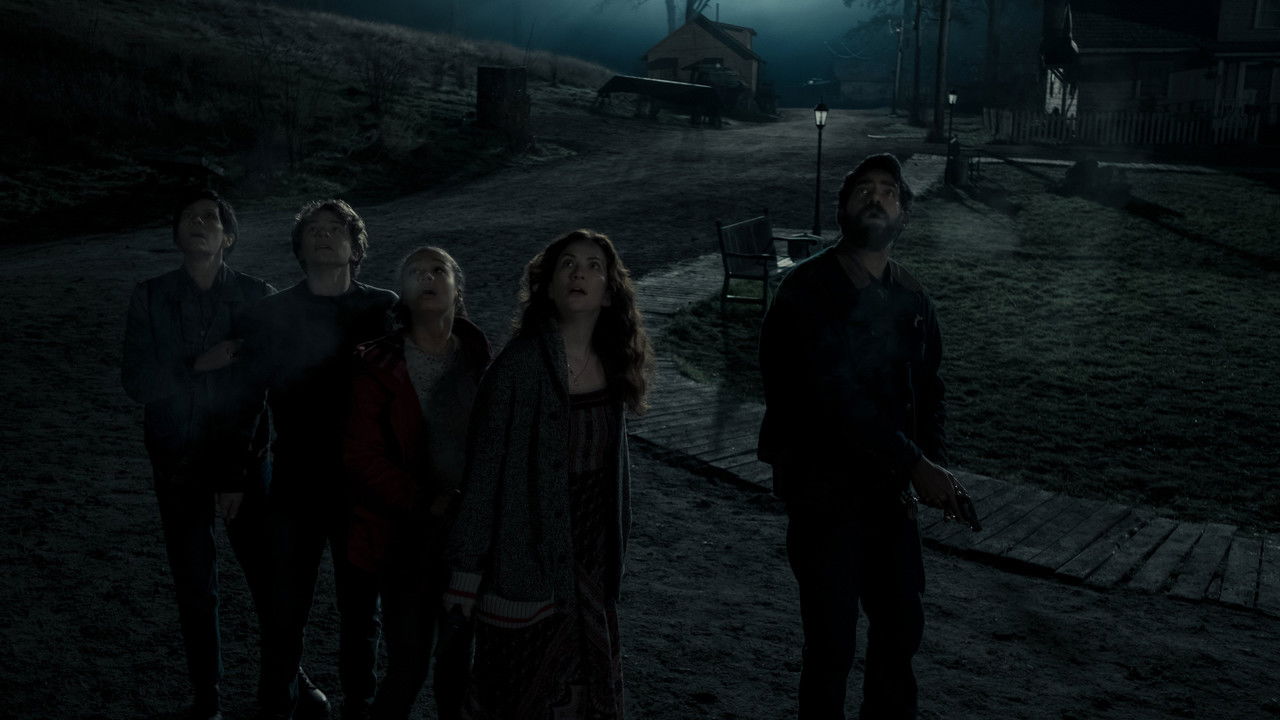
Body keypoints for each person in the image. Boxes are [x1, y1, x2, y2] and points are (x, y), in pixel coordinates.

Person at [757, 153, 963, 719]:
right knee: (831, 644)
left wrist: (932, 467)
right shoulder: (807, 292)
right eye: (864, 190)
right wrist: (915, 464)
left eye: (889, 191)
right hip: (824, 496)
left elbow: (929, 389)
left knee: (900, 634)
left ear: (904, 215)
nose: (877, 198)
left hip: (891, 501)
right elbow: (831, 398)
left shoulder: (913, 297)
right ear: (843, 209)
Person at [443, 229, 653, 720]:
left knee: (589, 696)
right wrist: (465, 574)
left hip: (592, 565)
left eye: (594, 266)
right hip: (528, 560)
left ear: (609, 292)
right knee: (519, 697)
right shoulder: (517, 368)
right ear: (550, 286)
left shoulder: (614, 363)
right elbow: (483, 478)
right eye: (567, 264)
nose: (580, 273)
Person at [237, 199, 398, 720]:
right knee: (285, 606)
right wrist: (235, 472)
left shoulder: (384, 309)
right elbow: (248, 398)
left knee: (361, 606)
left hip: (363, 483)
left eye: (335, 229)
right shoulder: (273, 313)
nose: (324, 236)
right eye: (314, 230)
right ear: (300, 247)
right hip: (296, 480)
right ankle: (277, 705)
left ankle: (360, 704)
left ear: (355, 247)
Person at [121, 189, 275, 720]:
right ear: (176, 235)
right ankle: (206, 695)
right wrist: (196, 365)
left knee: (266, 578)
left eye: (211, 217)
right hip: (177, 460)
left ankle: (288, 679)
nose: (199, 223)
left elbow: (259, 392)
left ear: (228, 237)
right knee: (193, 582)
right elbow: (137, 381)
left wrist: (237, 473)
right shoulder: (150, 296)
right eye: (189, 217)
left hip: (244, 458)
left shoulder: (256, 296)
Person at [343, 247, 491, 720]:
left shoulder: (477, 358)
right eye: (415, 272)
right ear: (402, 293)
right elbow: (361, 455)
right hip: (404, 538)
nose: (428, 277)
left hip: (467, 539)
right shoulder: (377, 363)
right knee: (407, 667)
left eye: (438, 270)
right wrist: (425, 500)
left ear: (456, 287)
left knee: (458, 667)